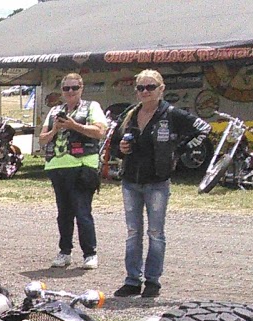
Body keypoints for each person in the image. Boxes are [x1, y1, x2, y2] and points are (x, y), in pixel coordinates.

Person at [112, 70, 211, 298]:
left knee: (155, 232)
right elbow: (114, 143)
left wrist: (179, 150)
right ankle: (132, 280)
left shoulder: (172, 114)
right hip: (130, 181)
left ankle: (152, 281)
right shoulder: (130, 114)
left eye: (150, 87)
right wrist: (121, 149)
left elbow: (204, 129)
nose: (145, 92)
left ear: (161, 89)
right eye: (141, 88)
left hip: (157, 182)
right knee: (133, 232)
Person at [38, 72, 108, 270]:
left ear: (81, 88)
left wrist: (74, 125)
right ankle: (64, 252)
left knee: (82, 211)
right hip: (57, 167)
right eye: (66, 88)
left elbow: (100, 132)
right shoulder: (55, 111)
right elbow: (42, 139)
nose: (70, 92)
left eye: (74, 88)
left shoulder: (91, 107)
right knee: (63, 213)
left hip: (82, 167)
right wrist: (55, 129)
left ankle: (90, 253)